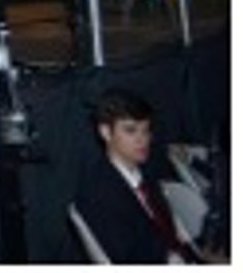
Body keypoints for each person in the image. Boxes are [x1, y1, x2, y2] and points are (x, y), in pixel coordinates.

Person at [73, 89, 209, 263]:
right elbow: (130, 257)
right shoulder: (97, 194)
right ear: (106, 132)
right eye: (131, 131)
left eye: (146, 130)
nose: (142, 139)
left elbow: (171, 233)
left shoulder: (145, 172)